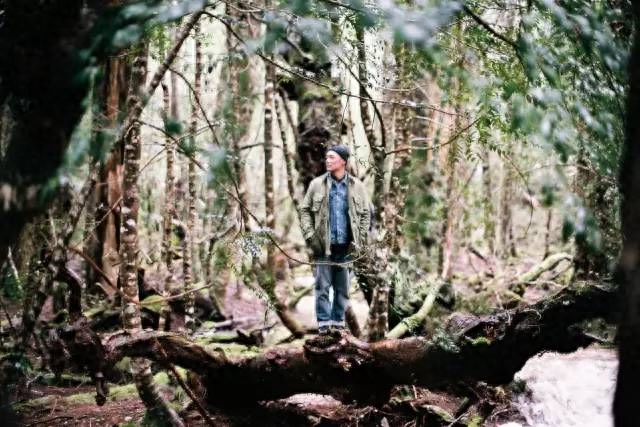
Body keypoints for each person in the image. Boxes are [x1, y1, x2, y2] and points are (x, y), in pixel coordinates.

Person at [300, 145, 371, 334]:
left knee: (343, 289)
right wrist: (310, 235)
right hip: (323, 245)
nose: (327, 160)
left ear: (343, 161)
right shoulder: (316, 184)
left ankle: (338, 324)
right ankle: (324, 326)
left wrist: (360, 237)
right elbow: (305, 210)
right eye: (327, 157)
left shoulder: (357, 186)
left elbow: (366, 214)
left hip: (347, 247)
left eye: (332, 157)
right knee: (322, 287)